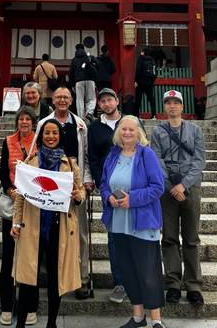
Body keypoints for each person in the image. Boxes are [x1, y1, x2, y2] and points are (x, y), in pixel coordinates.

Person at [11, 119, 84, 328]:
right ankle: (21, 323)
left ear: (60, 136)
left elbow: (80, 194)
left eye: (55, 133)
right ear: (40, 136)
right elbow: (21, 197)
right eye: (46, 133)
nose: (51, 137)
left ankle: (51, 322)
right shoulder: (30, 161)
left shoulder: (69, 164)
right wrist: (16, 222)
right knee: (27, 279)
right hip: (32, 225)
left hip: (58, 227)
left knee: (55, 278)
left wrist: (78, 195)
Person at [100, 115, 165, 328]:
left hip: (142, 223)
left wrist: (133, 200)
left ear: (139, 132)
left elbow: (157, 187)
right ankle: (138, 316)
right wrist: (108, 197)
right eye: (123, 129)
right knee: (128, 270)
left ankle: (156, 320)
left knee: (147, 273)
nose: (127, 133)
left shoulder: (147, 155)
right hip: (118, 222)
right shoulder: (113, 154)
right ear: (118, 132)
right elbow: (103, 185)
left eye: (131, 129)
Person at [31, 86, 93, 299]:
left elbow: (85, 154)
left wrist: (86, 180)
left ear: (72, 99)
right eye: (58, 97)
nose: (62, 100)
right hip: (48, 182)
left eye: (66, 97)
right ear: (53, 99)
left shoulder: (81, 124)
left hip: (74, 182)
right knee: (47, 229)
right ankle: (45, 272)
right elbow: (33, 151)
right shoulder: (43, 123)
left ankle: (82, 278)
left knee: (79, 233)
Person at [151, 89, 206, 306]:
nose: (172, 106)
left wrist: (183, 184)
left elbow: (199, 160)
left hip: (190, 187)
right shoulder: (158, 131)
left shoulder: (195, 130)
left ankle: (193, 284)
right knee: (169, 237)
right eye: (168, 103)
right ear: (164, 107)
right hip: (167, 189)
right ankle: (173, 283)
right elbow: (156, 159)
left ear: (182, 106)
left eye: (176, 102)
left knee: (191, 238)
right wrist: (172, 185)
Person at [0, 105, 38, 326]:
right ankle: (6, 304)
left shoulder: (39, 140)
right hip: (14, 203)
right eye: (21, 119)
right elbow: (4, 172)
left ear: (33, 122)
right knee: (9, 254)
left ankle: (30, 305)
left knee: (31, 256)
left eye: (28, 119)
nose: (24, 122)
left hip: (34, 205)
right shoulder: (9, 141)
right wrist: (9, 190)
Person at [87, 88, 125, 304]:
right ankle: (119, 282)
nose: (107, 103)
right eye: (103, 101)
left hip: (133, 186)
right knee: (114, 234)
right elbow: (92, 157)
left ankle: (136, 278)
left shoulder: (129, 122)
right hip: (108, 186)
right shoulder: (95, 127)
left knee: (134, 233)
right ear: (99, 105)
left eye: (110, 99)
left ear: (117, 101)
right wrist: (103, 185)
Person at [69, 43, 98, 122]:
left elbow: (71, 72)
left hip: (79, 81)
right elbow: (97, 65)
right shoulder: (89, 57)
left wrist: (72, 84)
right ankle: (89, 113)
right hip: (90, 80)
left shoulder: (74, 60)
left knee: (79, 100)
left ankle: (81, 117)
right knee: (91, 98)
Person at [133, 49, 157, 119]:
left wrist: (136, 81)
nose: (141, 52)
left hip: (140, 82)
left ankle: (137, 115)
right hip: (149, 83)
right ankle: (153, 115)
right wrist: (152, 81)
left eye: (141, 51)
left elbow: (138, 70)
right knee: (151, 99)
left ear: (143, 52)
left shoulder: (140, 59)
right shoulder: (152, 60)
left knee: (138, 99)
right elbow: (155, 71)